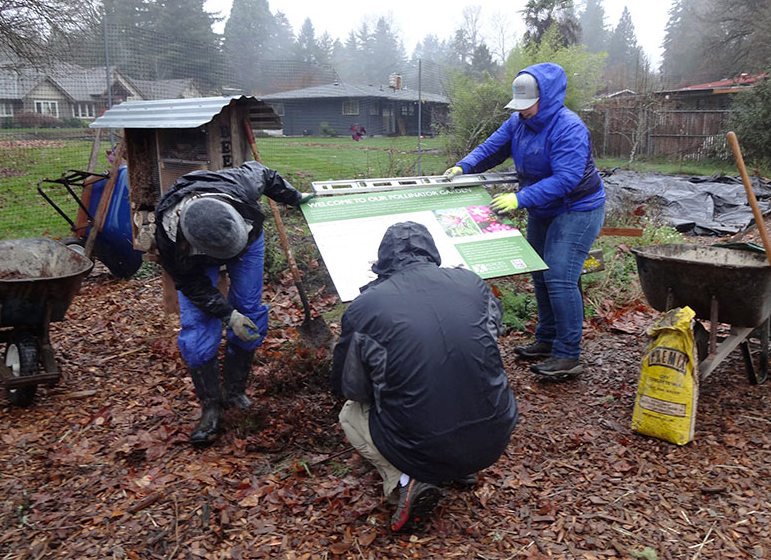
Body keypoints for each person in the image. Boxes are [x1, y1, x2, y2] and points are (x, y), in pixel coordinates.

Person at [332, 221, 518, 534]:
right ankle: (463, 468)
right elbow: (491, 333)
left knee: (350, 413)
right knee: (460, 375)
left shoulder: (366, 307)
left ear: (383, 259)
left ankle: (405, 481)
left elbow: (348, 387)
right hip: (496, 431)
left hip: (422, 442)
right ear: (431, 251)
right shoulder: (472, 282)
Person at [445, 63, 606, 381]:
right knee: (540, 272)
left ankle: (568, 354)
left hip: (578, 208)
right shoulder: (518, 122)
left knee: (560, 276)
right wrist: (464, 167)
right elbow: (492, 148)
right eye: (517, 106)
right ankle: (546, 339)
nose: (522, 111)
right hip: (543, 209)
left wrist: (520, 199)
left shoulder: (568, 127)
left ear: (545, 98)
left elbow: (567, 179)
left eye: (527, 105)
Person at [154, 161, 313, 447]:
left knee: (249, 309)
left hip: (248, 239)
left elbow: (266, 173)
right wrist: (228, 315)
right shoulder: (169, 237)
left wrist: (294, 196)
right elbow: (192, 286)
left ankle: (235, 391)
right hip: (194, 261)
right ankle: (212, 406)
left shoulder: (244, 186)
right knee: (198, 326)